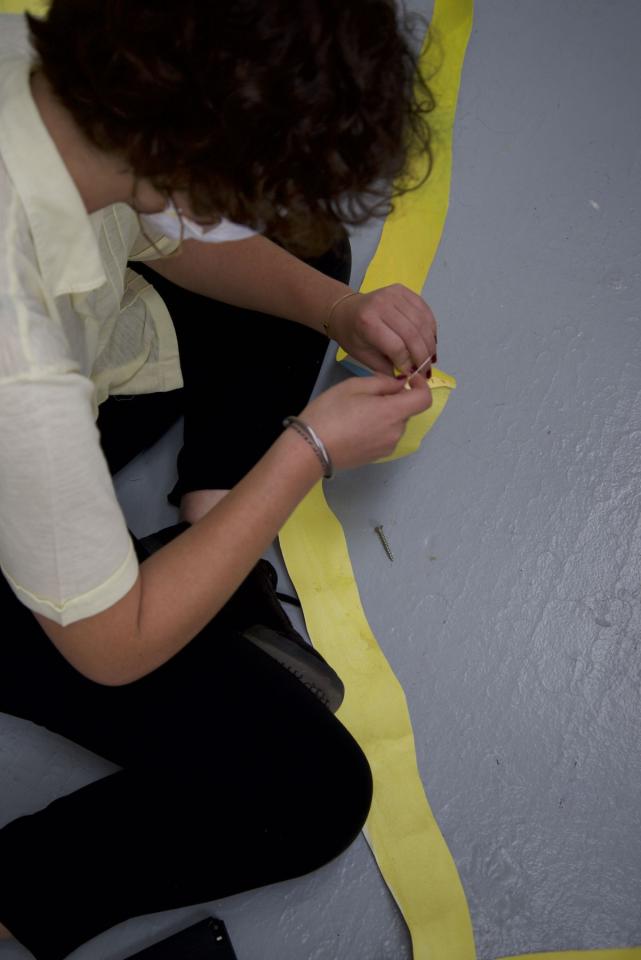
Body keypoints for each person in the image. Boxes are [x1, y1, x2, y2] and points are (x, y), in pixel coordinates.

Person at [0, 1, 438, 957]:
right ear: (183, 154)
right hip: (30, 505)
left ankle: (211, 539)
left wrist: (338, 309)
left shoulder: (38, 60)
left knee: (304, 257)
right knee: (307, 794)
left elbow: (162, 231)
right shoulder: (18, 362)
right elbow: (111, 648)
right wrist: (305, 451)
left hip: (66, 370)